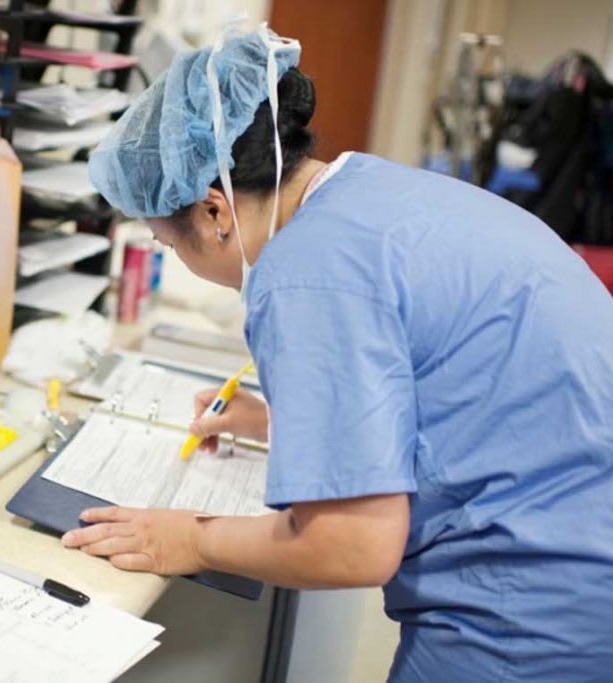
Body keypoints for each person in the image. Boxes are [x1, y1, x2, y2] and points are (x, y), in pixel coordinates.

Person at [61, 25, 613, 682]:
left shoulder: (303, 274)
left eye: (168, 244)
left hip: (534, 611)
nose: (176, 256)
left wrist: (189, 538)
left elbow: (354, 545)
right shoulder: (369, 192)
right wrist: (285, 421)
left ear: (215, 212)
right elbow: (446, 378)